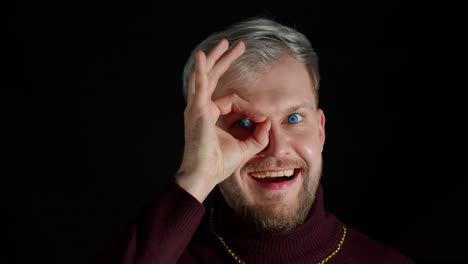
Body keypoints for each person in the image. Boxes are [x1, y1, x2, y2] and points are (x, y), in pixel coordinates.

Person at [94, 16, 415, 263]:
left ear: (320, 130)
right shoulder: (164, 254)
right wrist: (196, 178)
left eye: (293, 118)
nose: (276, 147)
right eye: (243, 123)